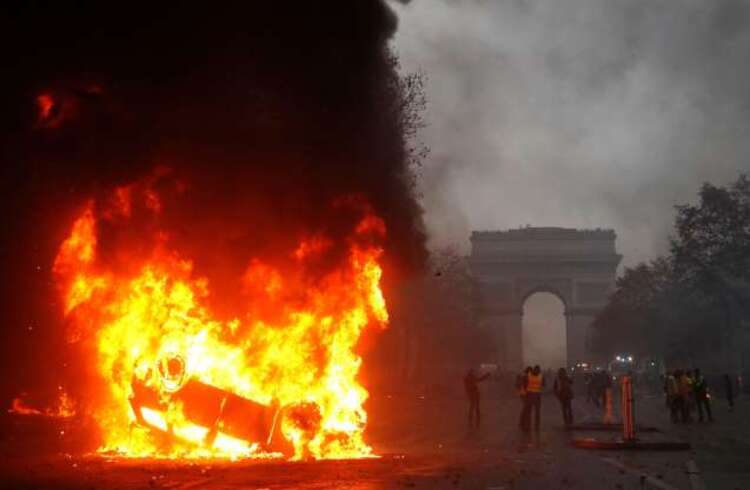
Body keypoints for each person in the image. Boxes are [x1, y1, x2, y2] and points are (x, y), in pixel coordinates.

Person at [524, 365, 545, 431]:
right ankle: (535, 426)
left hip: (530, 394)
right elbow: (544, 384)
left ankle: (529, 426)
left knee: (530, 412)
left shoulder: (529, 375)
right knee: (535, 412)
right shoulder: (541, 376)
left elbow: (524, 384)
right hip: (536, 395)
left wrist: (527, 390)